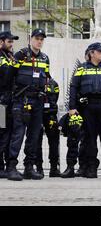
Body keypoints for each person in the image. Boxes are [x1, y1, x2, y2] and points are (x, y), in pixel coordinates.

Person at [69, 42, 101, 178]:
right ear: (91, 53)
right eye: (100, 51)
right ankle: (91, 168)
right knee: (89, 138)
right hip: (88, 107)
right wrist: (72, 107)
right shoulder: (82, 68)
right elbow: (73, 87)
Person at [7, 29, 49, 181]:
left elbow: (47, 79)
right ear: (30, 39)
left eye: (41, 39)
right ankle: (11, 167)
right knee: (18, 134)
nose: (39, 41)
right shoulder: (20, 55)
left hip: (37, 101)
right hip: (22, 100)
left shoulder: (45, 58)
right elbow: (9, 77)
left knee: (34, 135)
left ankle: (29, 167)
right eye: (37, 38)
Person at [0, 31, 19, 178]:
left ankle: (7, 166)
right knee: (1, 132)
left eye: (12, 42)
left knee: (10, 133)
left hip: (11, 100)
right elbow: (6, 77)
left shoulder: (10, 56)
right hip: (1, 101)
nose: (11, 44)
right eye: (9, 41)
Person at [35, 77, 60, 177]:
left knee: (53, 142)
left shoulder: (53, 83)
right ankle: (39, 168)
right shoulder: (35, 81)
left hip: (50, 114)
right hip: (38, 114)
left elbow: (54, 99)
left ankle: (53, 168)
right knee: (36, 142)